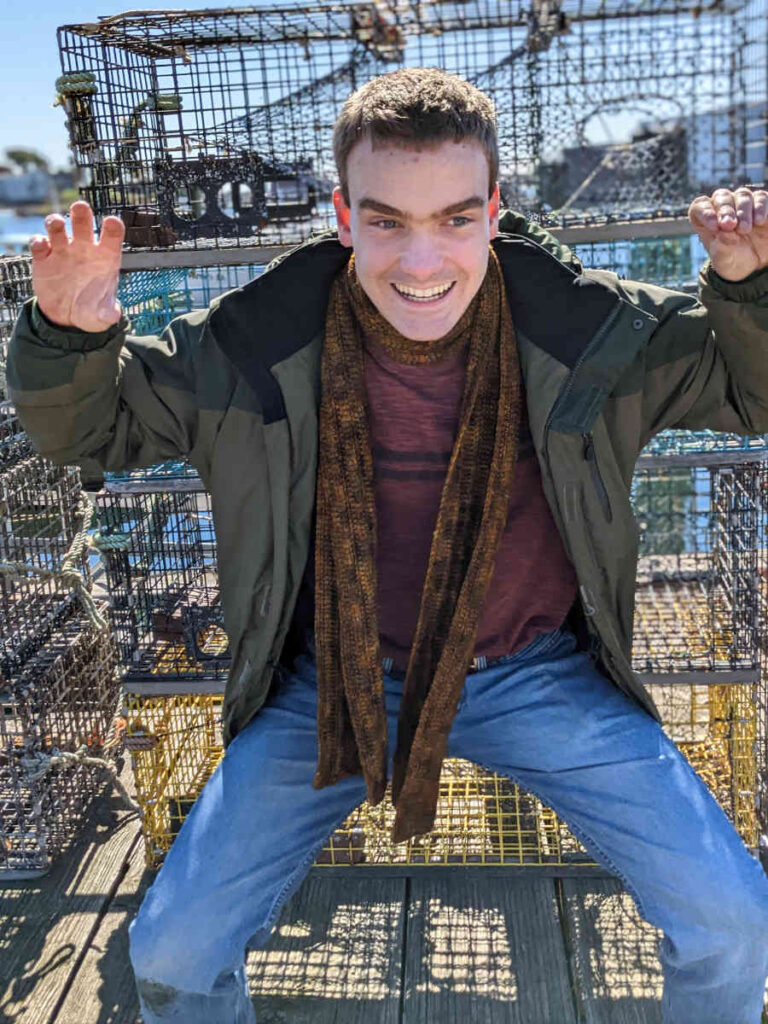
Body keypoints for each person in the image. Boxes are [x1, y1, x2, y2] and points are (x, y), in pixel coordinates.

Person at [8, 66, 768, 1024]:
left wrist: (749, 291)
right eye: (386, 221)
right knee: (172, 950)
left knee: (736, 920)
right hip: (330, 680)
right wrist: (67, 335)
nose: (421, 262)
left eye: (454, 218)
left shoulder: (594, 329)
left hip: (531, 669)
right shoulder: (249, 344)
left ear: (496, 211)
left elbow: (751, 393)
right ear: (341, 216)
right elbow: (93, 432)